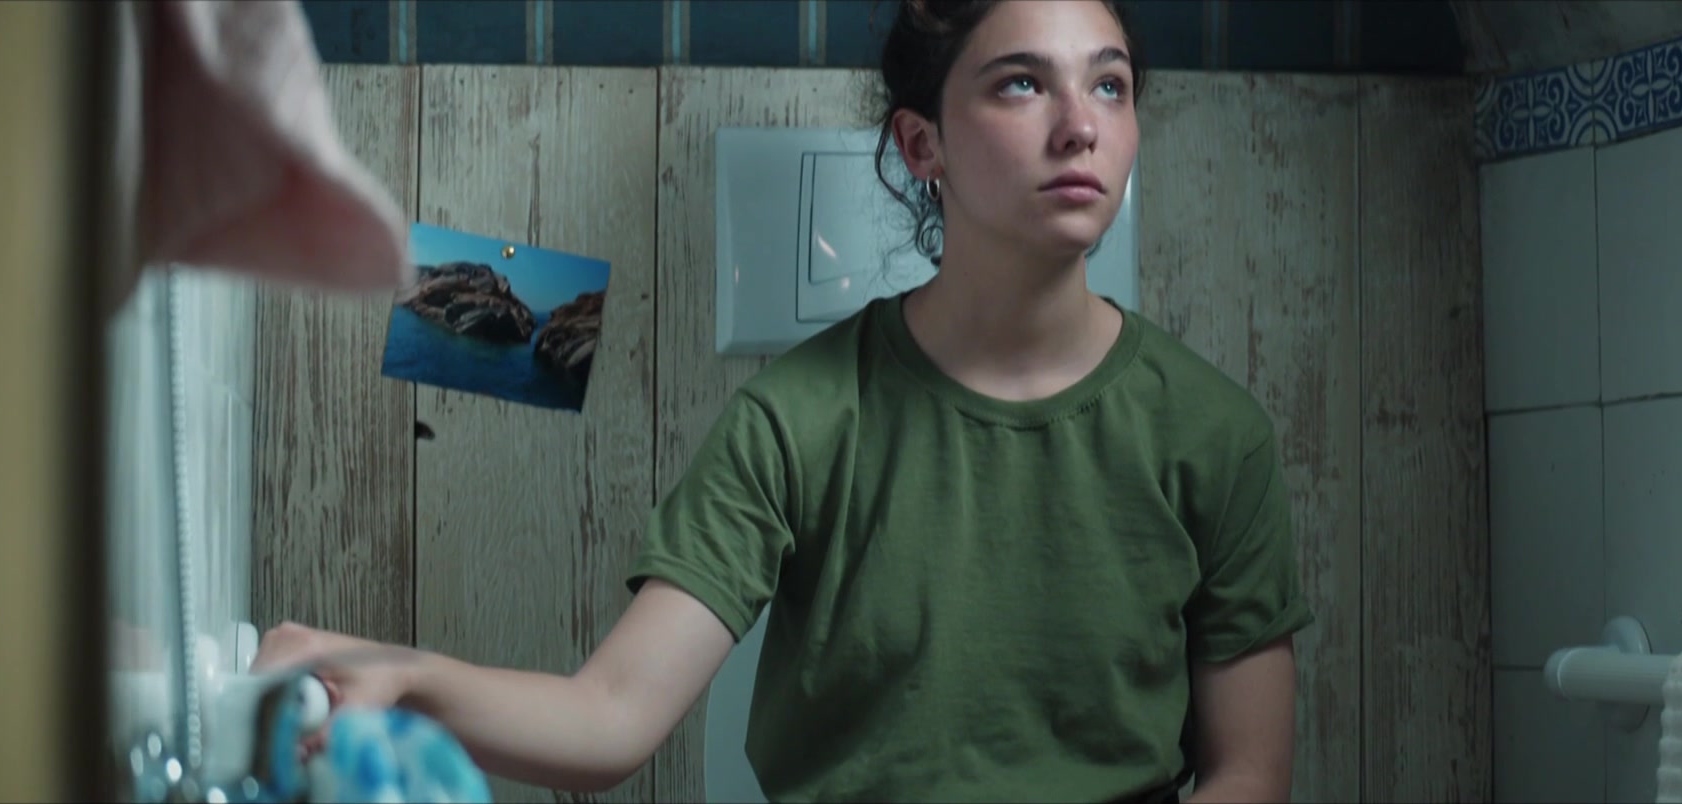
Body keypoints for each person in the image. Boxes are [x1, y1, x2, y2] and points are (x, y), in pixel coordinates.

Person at [250, 1, 1312, 801]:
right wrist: (399, 673)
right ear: (923, 144)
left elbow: (1249, 773)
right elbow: (610, 717)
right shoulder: (799, 419)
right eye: (1023, 84)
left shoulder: (1214, 436)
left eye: (1110, 85)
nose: (1081, 126)